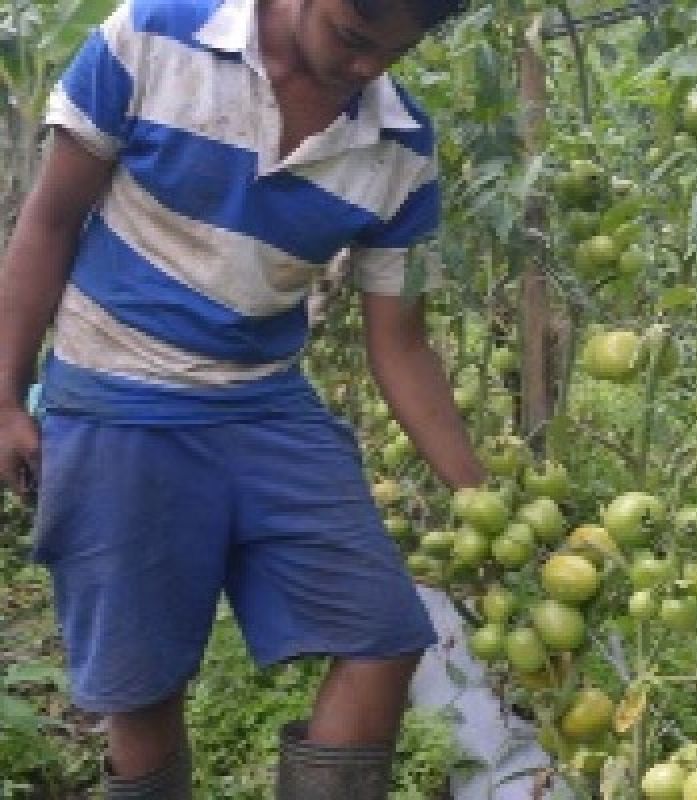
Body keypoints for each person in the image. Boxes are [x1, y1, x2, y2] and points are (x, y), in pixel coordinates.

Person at [0, 0, 480, 796]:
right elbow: (47, 224)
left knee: (385, 636)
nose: (366, 70)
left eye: (394, 52)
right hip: (119, 399)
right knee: (141, 686)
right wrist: (6, 396)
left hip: (264, 404)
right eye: (354, 38)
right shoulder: (151, 37)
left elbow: (400, 343)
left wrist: (479, 497)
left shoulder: (400, 148)